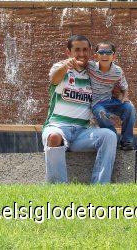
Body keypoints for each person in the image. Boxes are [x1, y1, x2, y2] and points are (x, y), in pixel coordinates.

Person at [42, 34, 117, 184]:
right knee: (54, 137)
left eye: (85, 50)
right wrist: (66, 66)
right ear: (68, 52)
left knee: (109, 136)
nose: (81, 54)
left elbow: (112, 84)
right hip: (58, 128)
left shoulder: (93, 73)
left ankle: (100, 186)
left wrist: (123, 95)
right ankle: (58, 188)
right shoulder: (60, 68)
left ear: (90, 52)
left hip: (82, 133)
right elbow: (54, 79)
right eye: (77, 50)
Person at [88, 41, 137, 150]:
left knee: (130, 108)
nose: (104, 55)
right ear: (96, 55)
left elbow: (124, 88)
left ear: (114, 56)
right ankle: (113, 137)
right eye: (101, 52)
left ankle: (127, 141)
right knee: (101, 113)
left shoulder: (117, 71)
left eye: (108, 52)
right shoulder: (90, 67)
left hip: (110, 101)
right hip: (97, 104)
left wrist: (125, 98)